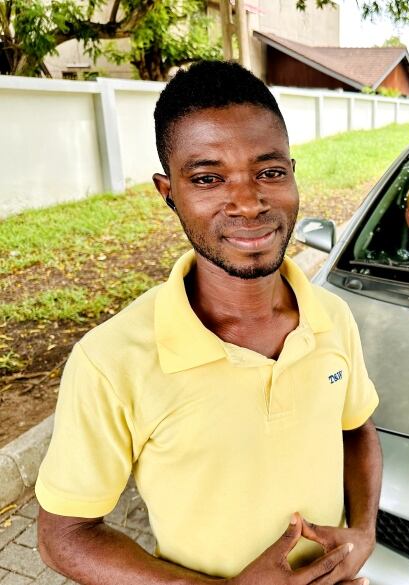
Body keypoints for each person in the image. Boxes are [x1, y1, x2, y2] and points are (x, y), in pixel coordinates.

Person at [35, 60, 382, 585]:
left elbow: (356, 428)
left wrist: (365, 530)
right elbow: (63, 536)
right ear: (167, 190)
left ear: (291, 173)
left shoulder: (331, 317)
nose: (248, 202)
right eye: (207, 178)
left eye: (269, 172)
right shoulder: (112, 360)